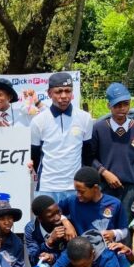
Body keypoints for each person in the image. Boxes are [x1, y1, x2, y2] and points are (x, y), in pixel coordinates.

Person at [89, 82, 134, 246]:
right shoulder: (99, 128)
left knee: (126, 228)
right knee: (103, 226)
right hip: (104, 187)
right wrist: (104, 172)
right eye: (117, 105)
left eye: (125, 104)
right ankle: (104, 265)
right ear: (109, 105)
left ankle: (125, 265)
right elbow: (89, 157)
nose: (122, 109)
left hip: (130, 189)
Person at [30, 72, 93, 202]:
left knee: (74, 223)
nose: (63, 96)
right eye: (58, 92)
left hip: (76, 188)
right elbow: (34, 156)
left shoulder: (85, 118)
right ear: (49, 93)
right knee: (47, 223)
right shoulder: (38, 121)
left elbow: (87, 155)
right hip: (47, 187)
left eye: (67, 91)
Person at [60, 167, 128, 244]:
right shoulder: (72, 201)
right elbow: (56, 211)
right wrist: (66, 222)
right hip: (79, 251)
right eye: (76, 190)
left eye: (82, 192)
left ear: (95, 188)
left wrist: (113, 233)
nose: (78, 195)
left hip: (105, 251)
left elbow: (125, 231)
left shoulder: (115, 204)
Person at [24, 195, 70, 267]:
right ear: (40, 219)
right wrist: (49, 242)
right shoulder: (31, 229)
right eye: (51, 216)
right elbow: (33, 260)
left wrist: (53, 257)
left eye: (58, 212)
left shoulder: (66, 226)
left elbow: (70, 255)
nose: (58, 218)